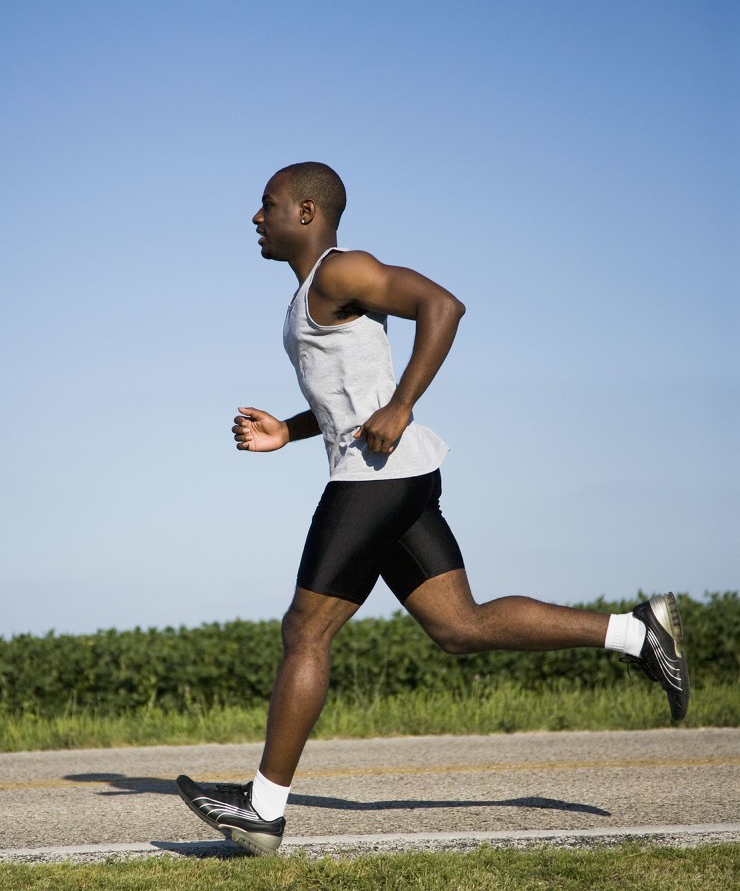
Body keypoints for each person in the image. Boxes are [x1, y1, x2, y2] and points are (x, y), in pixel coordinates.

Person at [176, 162, 690, 855]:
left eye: (266, 205)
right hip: (397, 473)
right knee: (459, 626)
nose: (255, 217)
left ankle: (263, 810)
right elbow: (348, 398)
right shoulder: (310, 294)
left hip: (375, 479)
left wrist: (402, 403)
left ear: (305, 211)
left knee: (305, 632)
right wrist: (290, 431)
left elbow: (442, 306)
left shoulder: (339, 270)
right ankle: (634, 633)